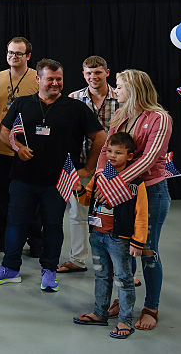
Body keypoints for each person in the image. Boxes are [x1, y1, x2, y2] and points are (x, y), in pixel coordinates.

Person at [0, 59, 103, 293]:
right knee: (16, 224)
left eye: (59, 79)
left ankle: (49, 271)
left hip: (57, 182)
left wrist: (88, 169)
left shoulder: (76, 108)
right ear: (38, 80)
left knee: (52, 226)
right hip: (22, 179)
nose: (55, 83)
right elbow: (4, 133)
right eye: (50, 79)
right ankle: (10, 268)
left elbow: (100, 137)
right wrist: (18, 148)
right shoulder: (22, 104)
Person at [98, 69, 172, 332]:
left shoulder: (160, 118)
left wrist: (113, 184)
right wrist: (101, 178)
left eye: (119, 86)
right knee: (121, 248)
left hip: (150, 192)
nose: (115, 90)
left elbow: (149, 158)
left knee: (147, 250)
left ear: (135, 89)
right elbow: (108, 151)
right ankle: (126, 298)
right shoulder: (120, 116)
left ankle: (151, 307)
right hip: (120, 193)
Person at [72, 131, 148, 340]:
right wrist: (79, 190)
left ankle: (125, 320)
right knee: (101, 275)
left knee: (123, 278)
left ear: (130, 156)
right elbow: (87, 200)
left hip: (120, 239)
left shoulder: (134, 183)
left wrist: (138, 242)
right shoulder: (99, 176)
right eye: (110, 151)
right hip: (97, 236)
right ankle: (99, 312)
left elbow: (141, 215)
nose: (113, 156)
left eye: (119, 153)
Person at [61, 55, 121, 273]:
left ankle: (114, 262)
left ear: (107, 72)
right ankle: (77, 259)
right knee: (77, 213)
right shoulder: (73, 98)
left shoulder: (121, 97)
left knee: (111, 214)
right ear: (83, 74)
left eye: (97, 72)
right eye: (88, 73)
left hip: (113, 168)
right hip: (82, 165)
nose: (93, 77)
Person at [0, 36, 38, 253]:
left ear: (28, 56)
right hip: (1, 148)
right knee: (3, 197)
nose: (13, 57)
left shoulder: (37, 78)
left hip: (27, 148)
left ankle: (35, 239)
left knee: (31, 197)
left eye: (18, 53)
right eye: (10, 53)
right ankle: (4, 237)